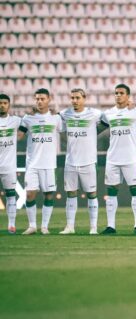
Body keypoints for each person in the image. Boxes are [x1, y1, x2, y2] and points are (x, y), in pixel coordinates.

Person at [100, 84, 136, 235]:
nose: (118, 95)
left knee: (135, 190)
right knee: (111, 190)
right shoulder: (108, 114)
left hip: (131, 158)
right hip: (113, 158)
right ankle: (111, 226)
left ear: (128, 96)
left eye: (121, 93)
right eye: (116, 93)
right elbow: (97, 129)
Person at [18, 88, 63, 235]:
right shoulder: (28, 118)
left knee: (49, 194)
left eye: (42, 98)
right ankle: (32, 225)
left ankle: (44, 226)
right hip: (32, 164)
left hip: (49, 164)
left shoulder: (56, 118)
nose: (39, 101)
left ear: (49, 99)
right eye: (37, 99)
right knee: (30, 194)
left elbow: (64, 133)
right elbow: (18, 136)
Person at [59, 88, 102, 235]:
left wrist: (95, 135)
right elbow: (59, 129)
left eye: (77, 98)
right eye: (72, 98)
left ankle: (93, 227)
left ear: (84, 98)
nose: (75, 101)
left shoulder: (95, 113)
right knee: (71, 194)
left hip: (89, 161)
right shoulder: (65, 114)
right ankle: (70, 227)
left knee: (92, 194)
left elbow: (108, 122)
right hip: (70, 161)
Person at [0, 94, 21, 234]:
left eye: (5, 103)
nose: (2, 105)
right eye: (0, 103)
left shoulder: (16, 121)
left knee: (10, 195)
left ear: (9, 105)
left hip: (8, 165)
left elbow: (30, 124)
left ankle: (11, 225)